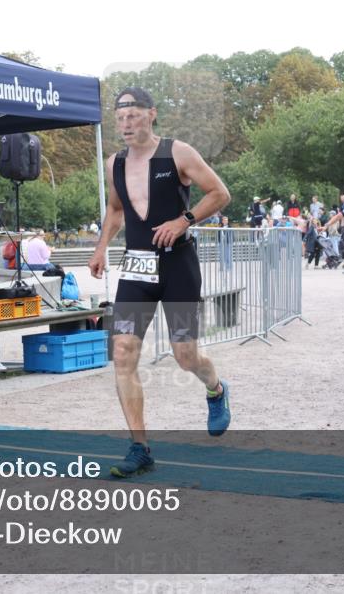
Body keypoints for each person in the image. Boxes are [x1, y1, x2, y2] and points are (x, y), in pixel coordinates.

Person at [89, 87, 232, 477]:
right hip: (137, 269)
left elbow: (220, 193)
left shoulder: (177, 152)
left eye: (133, 115)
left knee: (185, 355)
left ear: (151, 115)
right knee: (122, 353)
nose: (126, 124)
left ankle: (216, 388)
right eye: (119, 118)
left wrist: (184, 220)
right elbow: (116, 210)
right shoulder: (113, 163)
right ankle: (140, 448)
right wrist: (101, 246)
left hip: (177, 267)